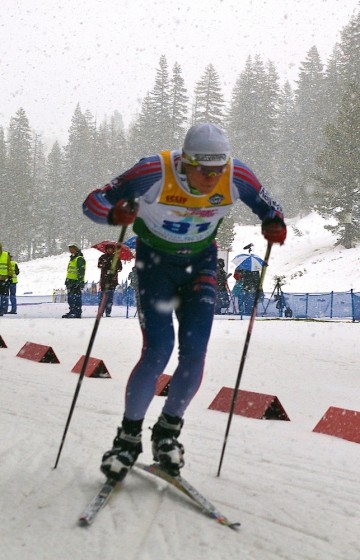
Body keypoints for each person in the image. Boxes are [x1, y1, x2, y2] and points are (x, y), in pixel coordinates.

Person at [83, 122, 287, 481]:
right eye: (202, 170)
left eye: (218, 169)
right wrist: (114, 215)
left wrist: (274, 223)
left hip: (201, 267)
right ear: (184, 162)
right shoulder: (153, 170)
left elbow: (271, 207)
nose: (211, 178)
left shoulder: (237, 175)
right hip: (155, 265)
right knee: (158, 350)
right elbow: (93, 202)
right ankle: (128, 437)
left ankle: (167, 432)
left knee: (194, 353)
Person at [97, 244, 122, 317]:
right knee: (102, 298)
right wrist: (105, 264)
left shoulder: (116, 258)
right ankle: (100, 311)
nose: (109, 250)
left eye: (111, 249)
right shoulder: (103, 257)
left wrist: (114, 267)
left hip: (112, 281)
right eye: (108, 249)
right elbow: (99, 265)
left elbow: (120, 268)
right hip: (104, 280)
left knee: (110, 298)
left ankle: (108, 312)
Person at [62, 243, 86, 318]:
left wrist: (79, 282)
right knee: (71, 298)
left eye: (71, 248)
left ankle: (76, 312)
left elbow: (81, 271)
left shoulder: (79, 259)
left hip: (76, 282)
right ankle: (72, 310)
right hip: (71, 282)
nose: (70, 250)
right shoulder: (72, 258)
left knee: (76, 298)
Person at [0, 243, 12, 316]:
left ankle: (2, 310)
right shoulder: (5, 255)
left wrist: (9, 276)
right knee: (3, 295)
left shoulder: (5, 255)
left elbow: (9, 266)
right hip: (4, 279)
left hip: (3, 279)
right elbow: (9, 266)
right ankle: (2, 310)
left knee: (3, 295)